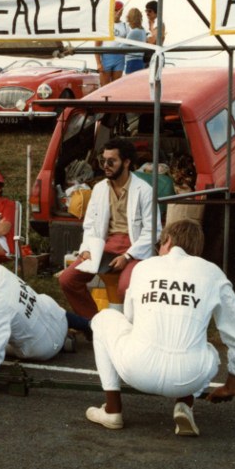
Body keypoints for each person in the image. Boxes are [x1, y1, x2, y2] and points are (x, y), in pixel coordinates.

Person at [85, 219, 235, 436]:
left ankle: (112, 409)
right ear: (196, 251)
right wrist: (232, 384)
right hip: (188, 377)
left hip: (137, 370)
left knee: (104, 319)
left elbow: (130, 318)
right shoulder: (212, 273)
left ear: (167, 240)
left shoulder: (143, 267)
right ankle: (185, 404)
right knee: (210, 351)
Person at [57, 138, 159, 329]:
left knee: (124, 288)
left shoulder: (144, 190)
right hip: (104, 246)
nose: (105, 166)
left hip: (133, 248)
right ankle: (94, 325)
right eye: (103, 161)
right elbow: (90, 225)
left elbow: (153, 231)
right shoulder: (99, 188)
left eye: (111, 161)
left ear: (127, 162)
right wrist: (86, 249)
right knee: (67, 280)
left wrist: (128, 256)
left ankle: (132, 330)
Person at [94, 1, 129, 86]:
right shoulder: (105, 24)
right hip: (106, 56)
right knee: (104, 86)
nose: (118, 13)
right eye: (115, 10)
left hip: (120, 57)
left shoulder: (125, 26)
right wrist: (98, 63)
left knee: (116, 86)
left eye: (120, 11)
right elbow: (97, 45)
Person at [143, 0, 167, 67]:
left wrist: (143, 39)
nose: (147, 13)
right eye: (146, 11)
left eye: (149, 11)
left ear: (156, 12)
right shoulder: (147, 23)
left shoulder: (159, 23)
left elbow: (153, 41)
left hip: (155, 55)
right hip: (146, 55)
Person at [124, 8, 147, 74]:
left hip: (132, 62)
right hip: (139, 61)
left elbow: (123, 47)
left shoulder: (134, 32)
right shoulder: (142, 30)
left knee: (129, 83)